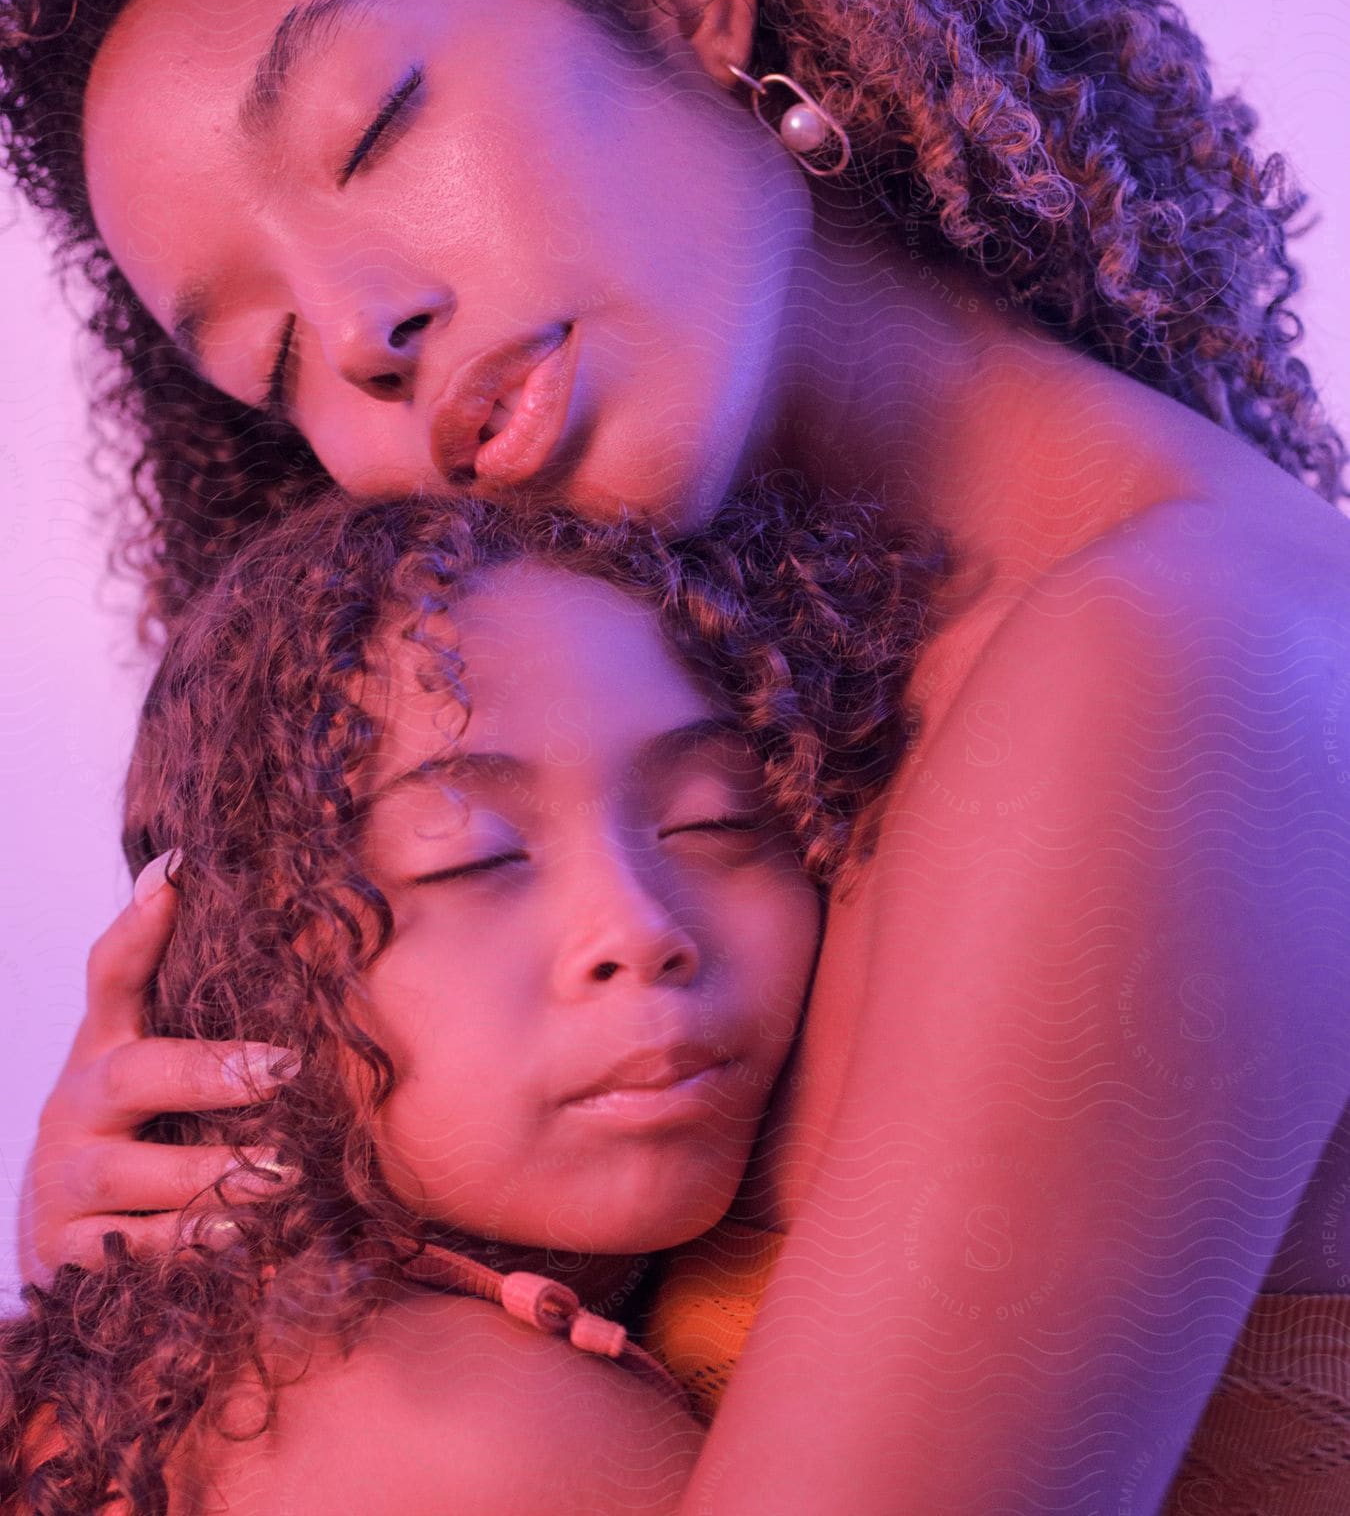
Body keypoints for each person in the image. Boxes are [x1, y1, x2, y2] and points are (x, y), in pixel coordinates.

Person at [4, 0, 1350, 1508]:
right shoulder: (792, 736)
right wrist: (219, 1241)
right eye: (269, 356)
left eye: (377, 128)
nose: (367, 335)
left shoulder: (1175, 660)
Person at [1, 473, 936, 1514]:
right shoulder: (488, 1435)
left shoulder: (162, 1362)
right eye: (474, 862)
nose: (638, 932)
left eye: (711, 822)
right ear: (242, 966)